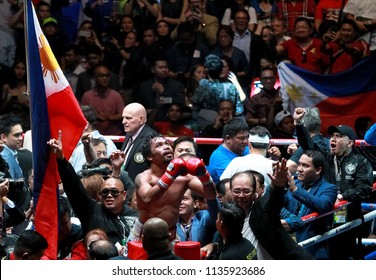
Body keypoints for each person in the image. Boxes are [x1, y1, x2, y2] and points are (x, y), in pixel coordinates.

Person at [294, 108, 373, 259]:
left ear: (350, 143)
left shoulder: (360, 162)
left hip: (349, 217)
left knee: (345, 256)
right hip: (325, 217)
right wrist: (298, 123)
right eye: (332, 136)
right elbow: (308, 145)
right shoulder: (327, 158)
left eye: (339, 136)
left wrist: (342, 196)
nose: (333, 139)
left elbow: (364, 189)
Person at [48, 131, 138, 249]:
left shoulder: (135, 215)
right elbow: (73, 187)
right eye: (105, 192)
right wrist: (61, 158)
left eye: (114, 192)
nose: (109, 195)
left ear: (124, 195)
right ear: (99, 195)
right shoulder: (91, 211)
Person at [128, 134, 217, 242]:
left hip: (170, 233)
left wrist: (204, 175)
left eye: (167, 144)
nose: (166, 146)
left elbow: (212, 195)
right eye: (159, 145)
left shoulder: (184, 178)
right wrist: (170, 176)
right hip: (144, 233)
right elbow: (147, 197)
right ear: (149, 157)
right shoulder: (143, 177)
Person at [249, 159, 315, 259]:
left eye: (253, 187)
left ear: (262, 189)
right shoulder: (233, 214)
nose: (243, 195)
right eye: (238, 190)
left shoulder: (266, 205)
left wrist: (280, 223)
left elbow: (297, 221)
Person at [281, 150, 337, 259]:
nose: (299, 169)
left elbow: (323, 206)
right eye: (299, 164)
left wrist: (295, 190)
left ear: (318, 170)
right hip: (288, 244)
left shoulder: (329, 188)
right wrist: (291, 220)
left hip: (313, 248)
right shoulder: (295, 183)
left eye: (305, 166)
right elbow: (279, 206)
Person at [191, 54, 244, 129]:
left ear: (207, 70)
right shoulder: (231, 87)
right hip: (228, 122)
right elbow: (239, 110)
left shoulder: (203, 87)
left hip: (207, 123)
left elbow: (195, 110)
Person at [220, 126, 276, 192]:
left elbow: (223, 185)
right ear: (269, 145)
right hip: (268, 201)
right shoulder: (274, 166)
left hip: (239, 201)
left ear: (248, 144)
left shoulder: (236, 162)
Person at [136, 57, 185, 123]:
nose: (164, 70)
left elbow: (179, 101)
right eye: (161, 67)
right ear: (153, 70)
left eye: (166, 67)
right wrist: (144, 110)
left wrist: (163, 92)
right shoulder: (144, 86)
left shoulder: (177, 85)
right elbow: (138, 104)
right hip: (149, 121)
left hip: (169, 122)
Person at [120, 103, 158, 182]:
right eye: (123, 118)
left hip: (141, 187)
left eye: (128, 118)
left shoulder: (151, 137)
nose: (123, 121)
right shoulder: (129, 133)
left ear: (141, 119)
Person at [287, 107, 329, 174]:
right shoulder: (329, 143)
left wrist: (273, 160)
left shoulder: (304, 149)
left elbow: (287, 169)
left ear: (303, 126)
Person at [207, 118, 250, 184]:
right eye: (241, 138)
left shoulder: (246, 149)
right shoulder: (218, 157)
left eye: (247, 137)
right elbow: (235, 183)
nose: (246, 141)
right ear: (228, 139)